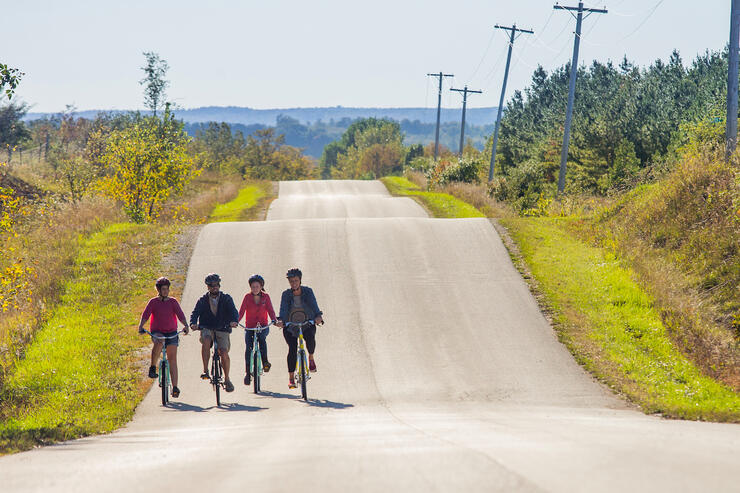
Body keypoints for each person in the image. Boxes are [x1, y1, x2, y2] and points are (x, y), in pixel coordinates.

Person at [138, 277, 189, 398]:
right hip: (158, 332)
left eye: (167, 289)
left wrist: (186, 325)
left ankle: (175, 387)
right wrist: (141, 326)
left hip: (171, 332)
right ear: (158, 290)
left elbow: (180, 315)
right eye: (164, 289)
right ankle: (152, 367)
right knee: (159, 341)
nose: (166, 291)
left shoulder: (173, 302)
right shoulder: (153, 302)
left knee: (172, 359)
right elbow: (146, 315)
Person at [190, 273, 239, 392]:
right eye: (211, 286)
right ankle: (205, 370)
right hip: (207, 327)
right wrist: (193, 323)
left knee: (224, 352)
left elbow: (234, 312)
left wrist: (234, 321)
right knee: (206, 340)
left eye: (216, 285)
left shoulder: (226, 298)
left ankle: (227, 379)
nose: (214, 287)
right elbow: (195, 313)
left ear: (219, 285)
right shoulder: (202, 300)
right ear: (207, 287)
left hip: (223, 328)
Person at [277, 268, 323, 389]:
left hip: (307, 322)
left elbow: (314, 305)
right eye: (291, 281)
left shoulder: (308, 292)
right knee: (292, 348)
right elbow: (283, 309)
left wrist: (318, 316)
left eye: (296, 280)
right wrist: (281, 320)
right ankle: (291, 378)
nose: (294, 283)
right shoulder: (286, 294)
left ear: (300, 280)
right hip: (291, 325)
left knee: (310, 338)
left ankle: (311, 357)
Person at [238, 274, 276, 385]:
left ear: (261, 286)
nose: (255, 289)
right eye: (253, 287)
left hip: (262, 326)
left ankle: (265, 362)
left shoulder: (266, 297)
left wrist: (274, 320)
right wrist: (236, 321)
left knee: (261, 338)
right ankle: (247, 373)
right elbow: (241, 312)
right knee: (248, 347)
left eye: (257, 286)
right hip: (249, 327)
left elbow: (271, 310)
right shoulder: (247, 297)